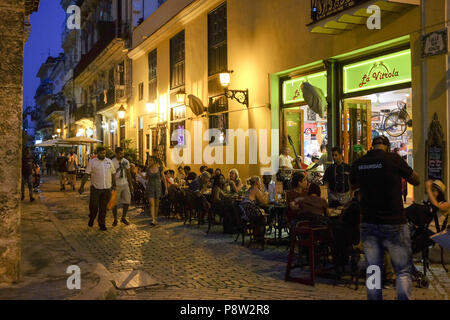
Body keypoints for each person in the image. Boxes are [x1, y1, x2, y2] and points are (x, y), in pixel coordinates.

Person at [350, 135, 420, 300]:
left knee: (373, 269)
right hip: (394, 222)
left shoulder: (360, 163)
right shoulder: (393, 159)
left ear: (372, 146)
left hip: (369, 222)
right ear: (387, 147)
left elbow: (352, 185)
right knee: (402, 270)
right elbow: (415, 180)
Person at [79, 147, 116, 231]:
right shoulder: (92, 162)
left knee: (103, 207)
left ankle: (101, 223)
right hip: (96, 188)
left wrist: (114, 184)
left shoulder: (109, 162)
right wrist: (82, 186)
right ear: (97, 153)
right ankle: (92, 217)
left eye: (104, 153)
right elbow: (86, 174)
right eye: (101, 153)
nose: (103, 154)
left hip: (106, 188)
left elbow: (113, 173)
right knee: (94, 206)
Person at [111, 147, 133, 226]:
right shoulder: (112, 162)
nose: (122, 155)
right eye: (120, 153)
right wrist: (112, 184)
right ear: (116, 153)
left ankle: (123, 217)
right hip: (116, 184)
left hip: (125, 183)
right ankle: (115, 219)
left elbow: (128, 173)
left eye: (122, 153)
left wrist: (130, 184)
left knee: (127, 201)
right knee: (115, 203)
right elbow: (111, 174)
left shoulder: (126, 161)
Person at [145, 156, 168, 227]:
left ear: (154, 161)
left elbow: (164, 179)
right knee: (152, 203)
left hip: (158, 187)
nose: (149, 162)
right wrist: (139, 174)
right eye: (149, 161)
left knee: (157, 204)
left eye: (151, 161)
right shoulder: (147, 169)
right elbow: (146, 178)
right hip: (150, 187)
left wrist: (166, 188)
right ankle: (153, 219)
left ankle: (155, 218)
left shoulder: (160, 168)